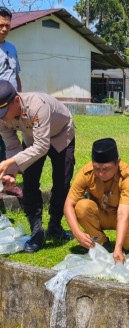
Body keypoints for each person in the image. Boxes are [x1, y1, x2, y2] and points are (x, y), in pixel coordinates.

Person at [0, 80, 75, 253]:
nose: (2, 118)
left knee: (61, 181)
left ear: (16, 101)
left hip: (61, 133)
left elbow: (42, 146)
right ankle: (36, 230)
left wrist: (9, 162)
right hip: (32, 137)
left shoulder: (37, 106)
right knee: (30, 182)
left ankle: (55, 225)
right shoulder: (2, 118)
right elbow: (12, 147)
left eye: (4, 112)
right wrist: (12, 171)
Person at [64, 138, 129, 263]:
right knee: (81, 207)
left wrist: (118, 247)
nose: (101, 174)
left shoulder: (128, 176)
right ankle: (101, 242)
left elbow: (123, 214)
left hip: (124, 217)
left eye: (106, 169)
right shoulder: (86, 172)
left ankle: (124, 246)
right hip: (100, 214)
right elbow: (68, 205)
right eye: (97, 168)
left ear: (117, 163)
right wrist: (77, 233)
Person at [0, 6, 22, 197]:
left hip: (13, 105)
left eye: (7, 25)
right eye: (1, 25)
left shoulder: (12, 48)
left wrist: (20, 97)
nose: (4, 29)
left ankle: (9, 182)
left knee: (13, 142)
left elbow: (16, 75)